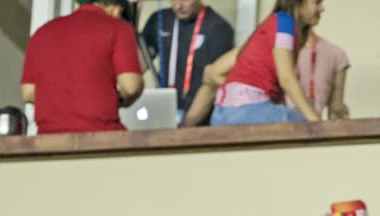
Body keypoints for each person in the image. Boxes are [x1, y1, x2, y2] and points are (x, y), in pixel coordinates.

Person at [20, 0, 143, 134]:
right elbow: (131, 86)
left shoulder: (42, 33)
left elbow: (28, 92)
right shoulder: (119, 28)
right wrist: (119, 99)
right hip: (100, 135)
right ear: (117, 10)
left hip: (48, 137)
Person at [203, 0, 321, 124]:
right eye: (317, 2)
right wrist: (316, 121)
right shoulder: (285, 23)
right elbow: (287, 79)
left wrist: (237, 93)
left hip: (222, 113)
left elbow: (214, 72)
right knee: (306, 128)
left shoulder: (267, 29)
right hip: (248, 110)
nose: (321, 8)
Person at [141, 0, 234, 113]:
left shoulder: (219, 28)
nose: (178, 6)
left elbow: (214, 84)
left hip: (200, 112)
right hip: (164, 107)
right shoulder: (160, 20)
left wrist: (189, 120)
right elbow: (138, 65)